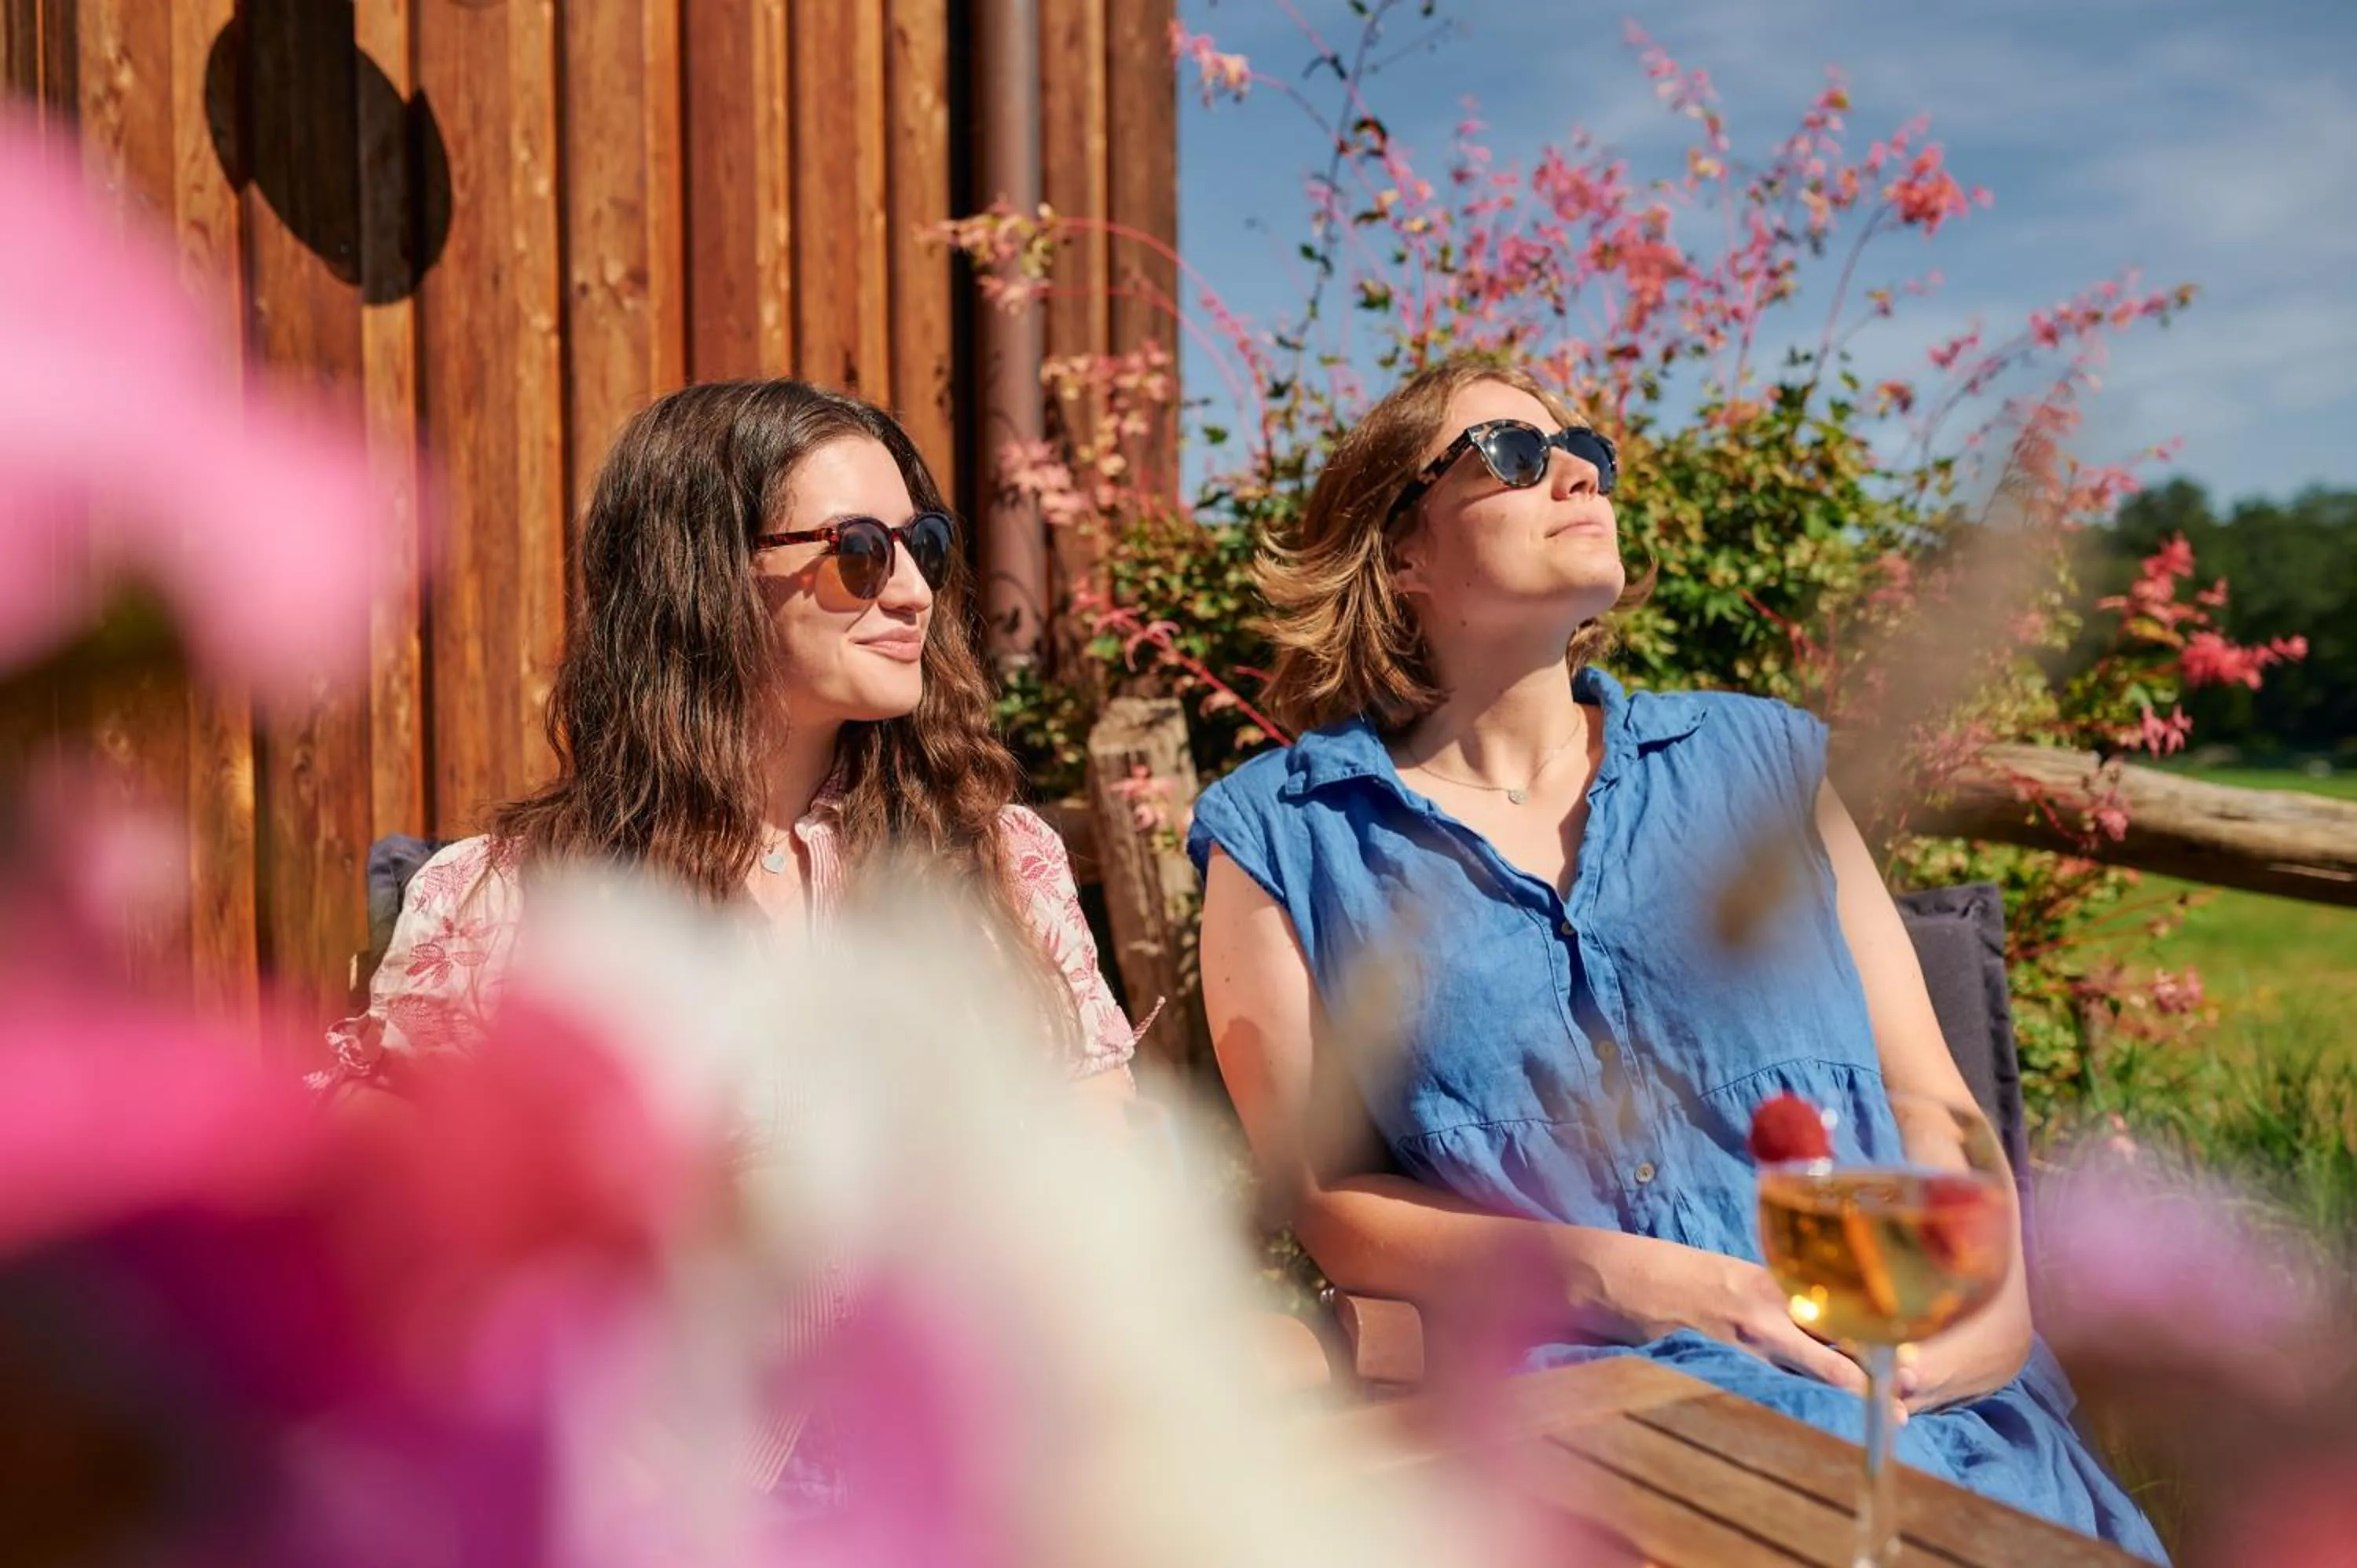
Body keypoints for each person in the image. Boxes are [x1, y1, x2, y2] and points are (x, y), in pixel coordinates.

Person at [1186, 354, 2165, 1559]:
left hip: (1924, 1394)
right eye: (1508, 455)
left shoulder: (1763, 767)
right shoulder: (1285, 838)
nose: (1574, 475)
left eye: (1585, 452)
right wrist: (1679, 1291)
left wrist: (1996, 1321)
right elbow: (1333, 1203)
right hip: (1596, 1415)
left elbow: (1932, 1102)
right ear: (1403, 556)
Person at [325, 379, 1139, 1498]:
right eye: (858, 550)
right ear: (703, 574)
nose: (910, 591)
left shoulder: (998, 864)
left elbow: (1100, 1172)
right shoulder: (509, 901)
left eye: (923, 545)